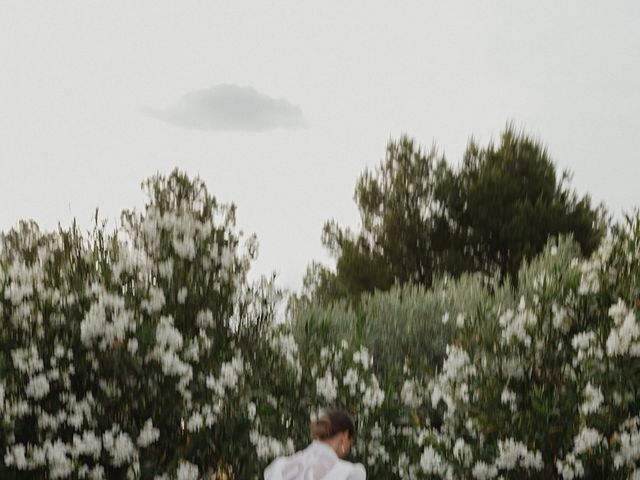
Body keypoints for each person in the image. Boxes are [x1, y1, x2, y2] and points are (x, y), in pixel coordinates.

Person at [264, 409, 366, 480]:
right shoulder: (349, 473)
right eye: (350, 442)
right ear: (344, 435)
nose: (349, 448)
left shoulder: (280, 466)